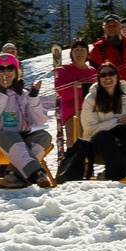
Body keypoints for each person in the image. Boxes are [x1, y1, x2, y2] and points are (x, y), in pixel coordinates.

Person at [0, 51, 53, 187]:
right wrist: (2, 94)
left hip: (17, 141)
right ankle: (36, 173)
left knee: (43, 136)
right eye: (1, 68)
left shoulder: (21, 93)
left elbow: (38, 122)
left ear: (16, 71)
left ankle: (13, 176)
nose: (6, 72)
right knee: (7, 135)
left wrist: (33, 97)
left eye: (10, 68)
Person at [78, 67, 126, 180]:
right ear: (98, 79)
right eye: (103, 75)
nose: (108, 77)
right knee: (104, 137)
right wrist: (116, 122)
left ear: (117, 76)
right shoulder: (91, 99)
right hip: (99, 143)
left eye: (111, 73)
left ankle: (110, 174)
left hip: (124, 140)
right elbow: (89, 129)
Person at [51, 43, 98, 180]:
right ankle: (72, 173)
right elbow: (63, 91)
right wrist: (83, 89)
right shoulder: (64, 71)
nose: (80, 53)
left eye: (83, 50)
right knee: (74, 143)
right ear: (71, 53)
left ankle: (88, 172)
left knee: (90, 143)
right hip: (73, 112)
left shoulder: (92, 71)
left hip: (91, 112)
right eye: (76, 50)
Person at [89, 15, 126, 88]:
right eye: (108, 26)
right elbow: (93, 79)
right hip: (111, 95)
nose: (112, 28)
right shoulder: (97, 50)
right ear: (103, 29)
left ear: (120, 27)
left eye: (115, 25)